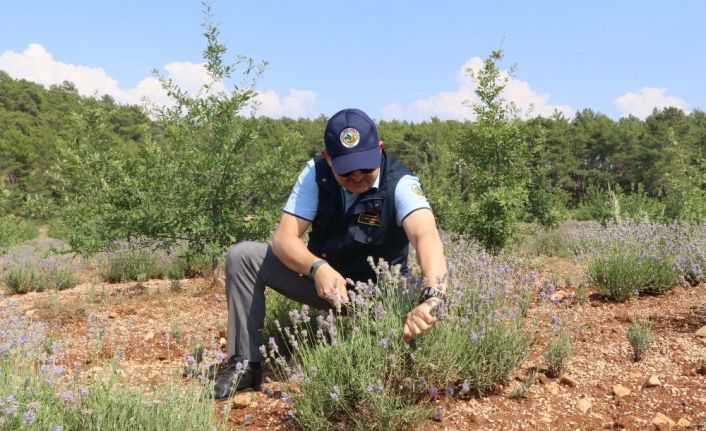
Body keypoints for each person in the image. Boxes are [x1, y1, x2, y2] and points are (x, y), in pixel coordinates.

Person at [212, 108, 448, 400]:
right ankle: (245, 365)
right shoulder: (315, 174)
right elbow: (284, 238)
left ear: (379, 149)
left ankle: (390, 356)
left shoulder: (401, 182)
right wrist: (317, 267)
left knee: (398, 354)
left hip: (381, 298)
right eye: (346, 170)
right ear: (328, 158)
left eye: (365, 167)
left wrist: (433, 297)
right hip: (325, 287)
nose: (357, 176)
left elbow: (426, 235)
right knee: (243, 257)